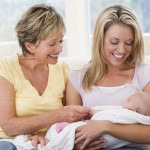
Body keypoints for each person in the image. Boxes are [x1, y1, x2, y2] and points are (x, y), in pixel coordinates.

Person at [0, 3, 91, 150]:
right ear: (29, 45)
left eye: (61, 41)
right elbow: (9, 126)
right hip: (9, 142)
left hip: (48, 141)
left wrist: (44, 135)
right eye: (52, 44)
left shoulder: (64, 70)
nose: (60, 49)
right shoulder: (6, 67)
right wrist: (58, 114)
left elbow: (72, 119)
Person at [66, 4, 150, 150]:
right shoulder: (77, 78)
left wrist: (106, 126)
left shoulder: (144, 74)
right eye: (114, 42)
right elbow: (72, 129)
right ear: (100, 39)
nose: (122, 50)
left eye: (129, 43)